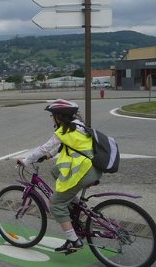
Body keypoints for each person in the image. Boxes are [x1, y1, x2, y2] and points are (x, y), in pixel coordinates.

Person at [16, 99, 102, 254]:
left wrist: (26, 160)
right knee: (56, 170)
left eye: (53, 115)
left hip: (82, 172)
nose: (52, 118)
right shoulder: (79, 127)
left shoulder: (63, 131)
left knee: (55, 205)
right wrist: (49, 156)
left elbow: (43, 147)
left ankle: (74, 241)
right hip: (93, 168)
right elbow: (65, 145)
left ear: (60, 116)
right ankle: (73, 205)